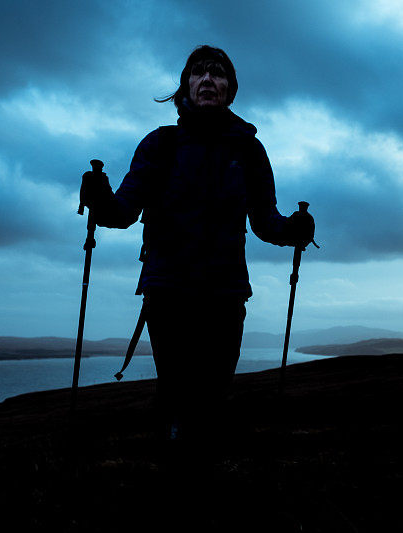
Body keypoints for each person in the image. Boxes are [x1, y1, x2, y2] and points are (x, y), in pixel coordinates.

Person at [81, 45, 315, 442]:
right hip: (168, 292)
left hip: (225, 294)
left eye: (218, 73)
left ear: (230, 88)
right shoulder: (160, 145)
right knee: (175, 399)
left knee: (213, 400)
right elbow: (122, 211)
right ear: (186, 86)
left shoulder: (249, 150)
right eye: (199, 73)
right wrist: (100, 198)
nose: (208, 79)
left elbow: (264, 221)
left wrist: (294, 229)